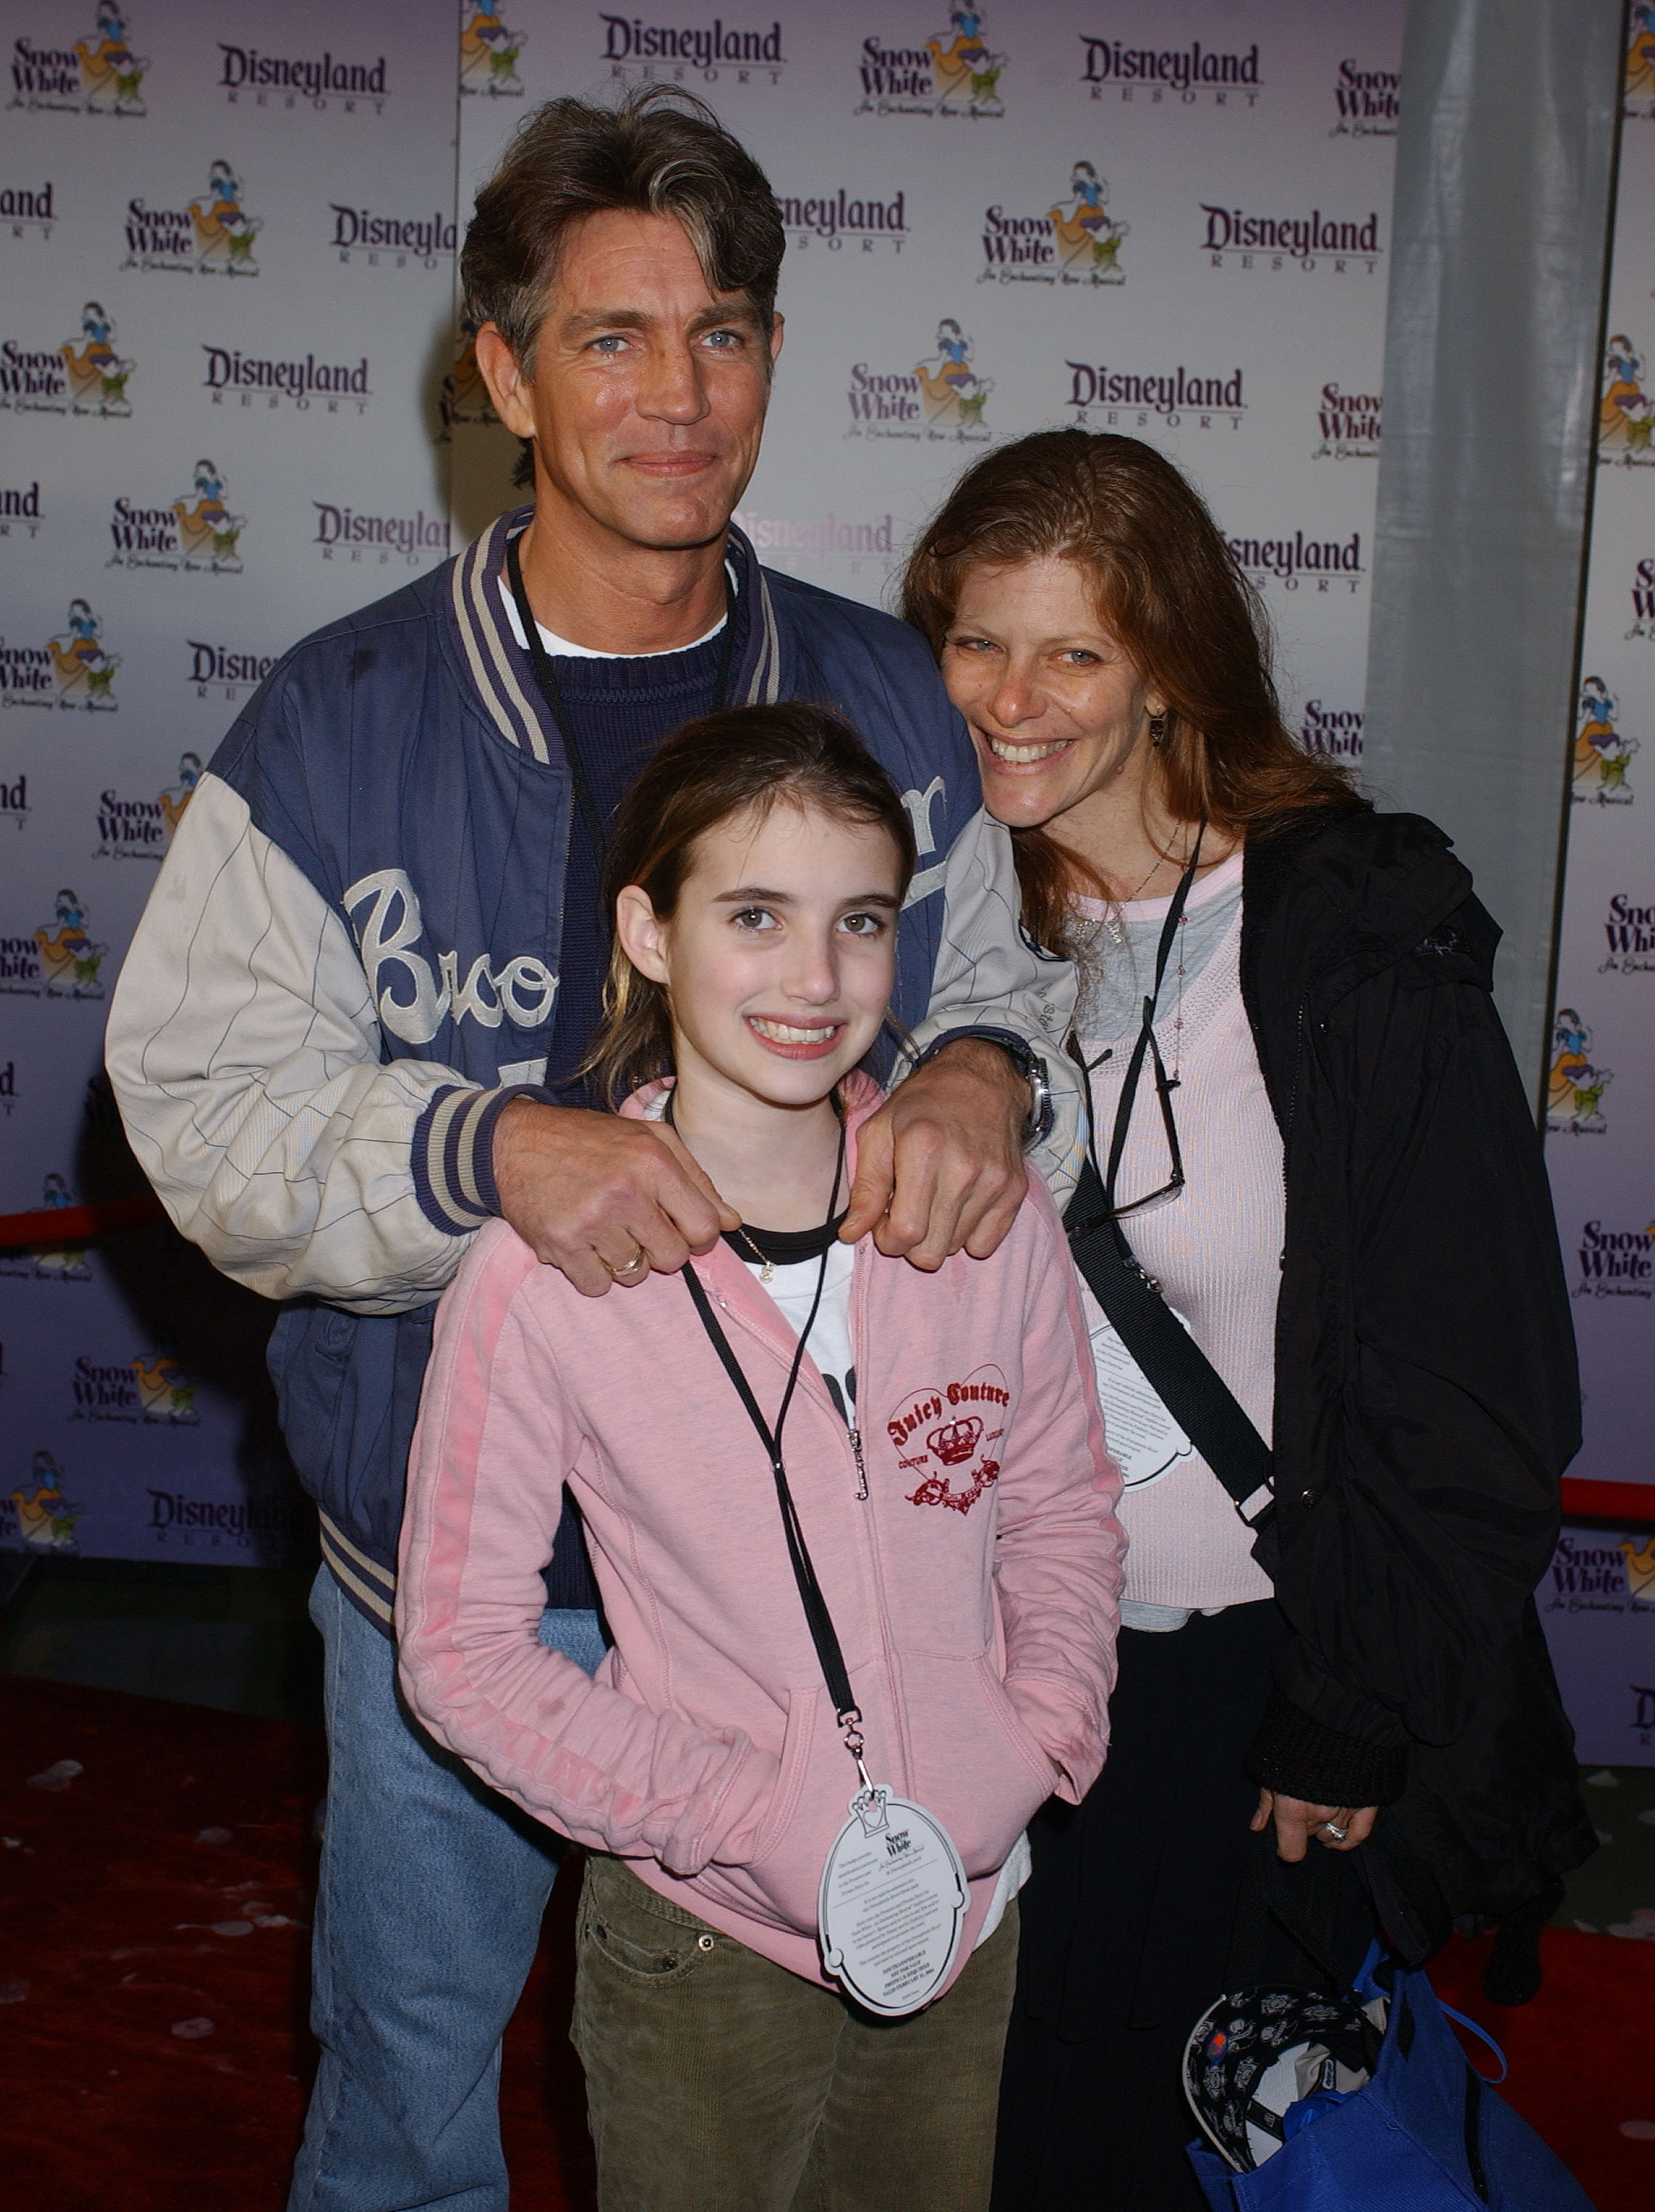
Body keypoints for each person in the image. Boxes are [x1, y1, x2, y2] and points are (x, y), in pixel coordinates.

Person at [104, 89, 1080, 2212]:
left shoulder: (886, 698)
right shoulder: (335, 717)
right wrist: (479, 1150)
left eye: (722, 332)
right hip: (463, 1600)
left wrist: (987, 1080)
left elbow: (1011, 997)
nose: (676, 390)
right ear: (505, 371)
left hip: (812, 1604)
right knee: (409, 2120)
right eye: (615, 336)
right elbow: (189, 1110)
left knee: (785, 2149)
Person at [900, 429, 1595, 2211]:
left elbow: (1478, 1379)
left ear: (1173, 667)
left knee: (1174, 2149)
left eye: (1074, 652)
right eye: (979, 642)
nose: (1014, 699)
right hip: (992, 1670)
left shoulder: (1351, 933)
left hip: (1239, 1681)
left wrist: (1349, 1707)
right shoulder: (950, 918)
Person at [398, 702, 1125, 2211]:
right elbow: (461, 1656)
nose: (814, 979)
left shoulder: (983, 1216)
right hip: (701, 1938)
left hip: (972, 1906)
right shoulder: (542, 1277)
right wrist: (746, 1820)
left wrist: (1037, 1735)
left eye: (859, 921)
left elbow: (1060, 1501)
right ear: (648, 933)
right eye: (754, 916)